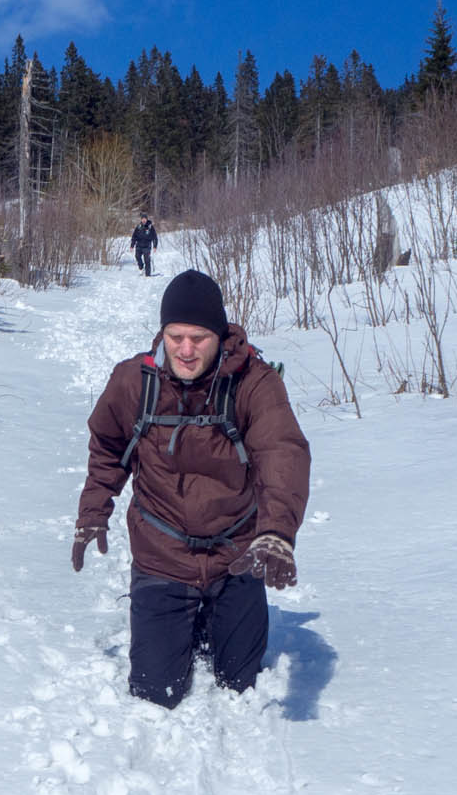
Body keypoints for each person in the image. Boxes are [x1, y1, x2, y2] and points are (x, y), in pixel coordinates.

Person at [71, 269, 311, 708]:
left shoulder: (253, 383)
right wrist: (92, 512)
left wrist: (275, 531)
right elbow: (107, 448)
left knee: (240, 682)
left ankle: (214, 617)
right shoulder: (133, 383)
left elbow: (283, 452)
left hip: (234, 555)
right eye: (175, 336)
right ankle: (175, 615)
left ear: (219, 335)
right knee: (153, 691)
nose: (184, 350)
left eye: (198, 337)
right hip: (163, 553)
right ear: (162, 333)